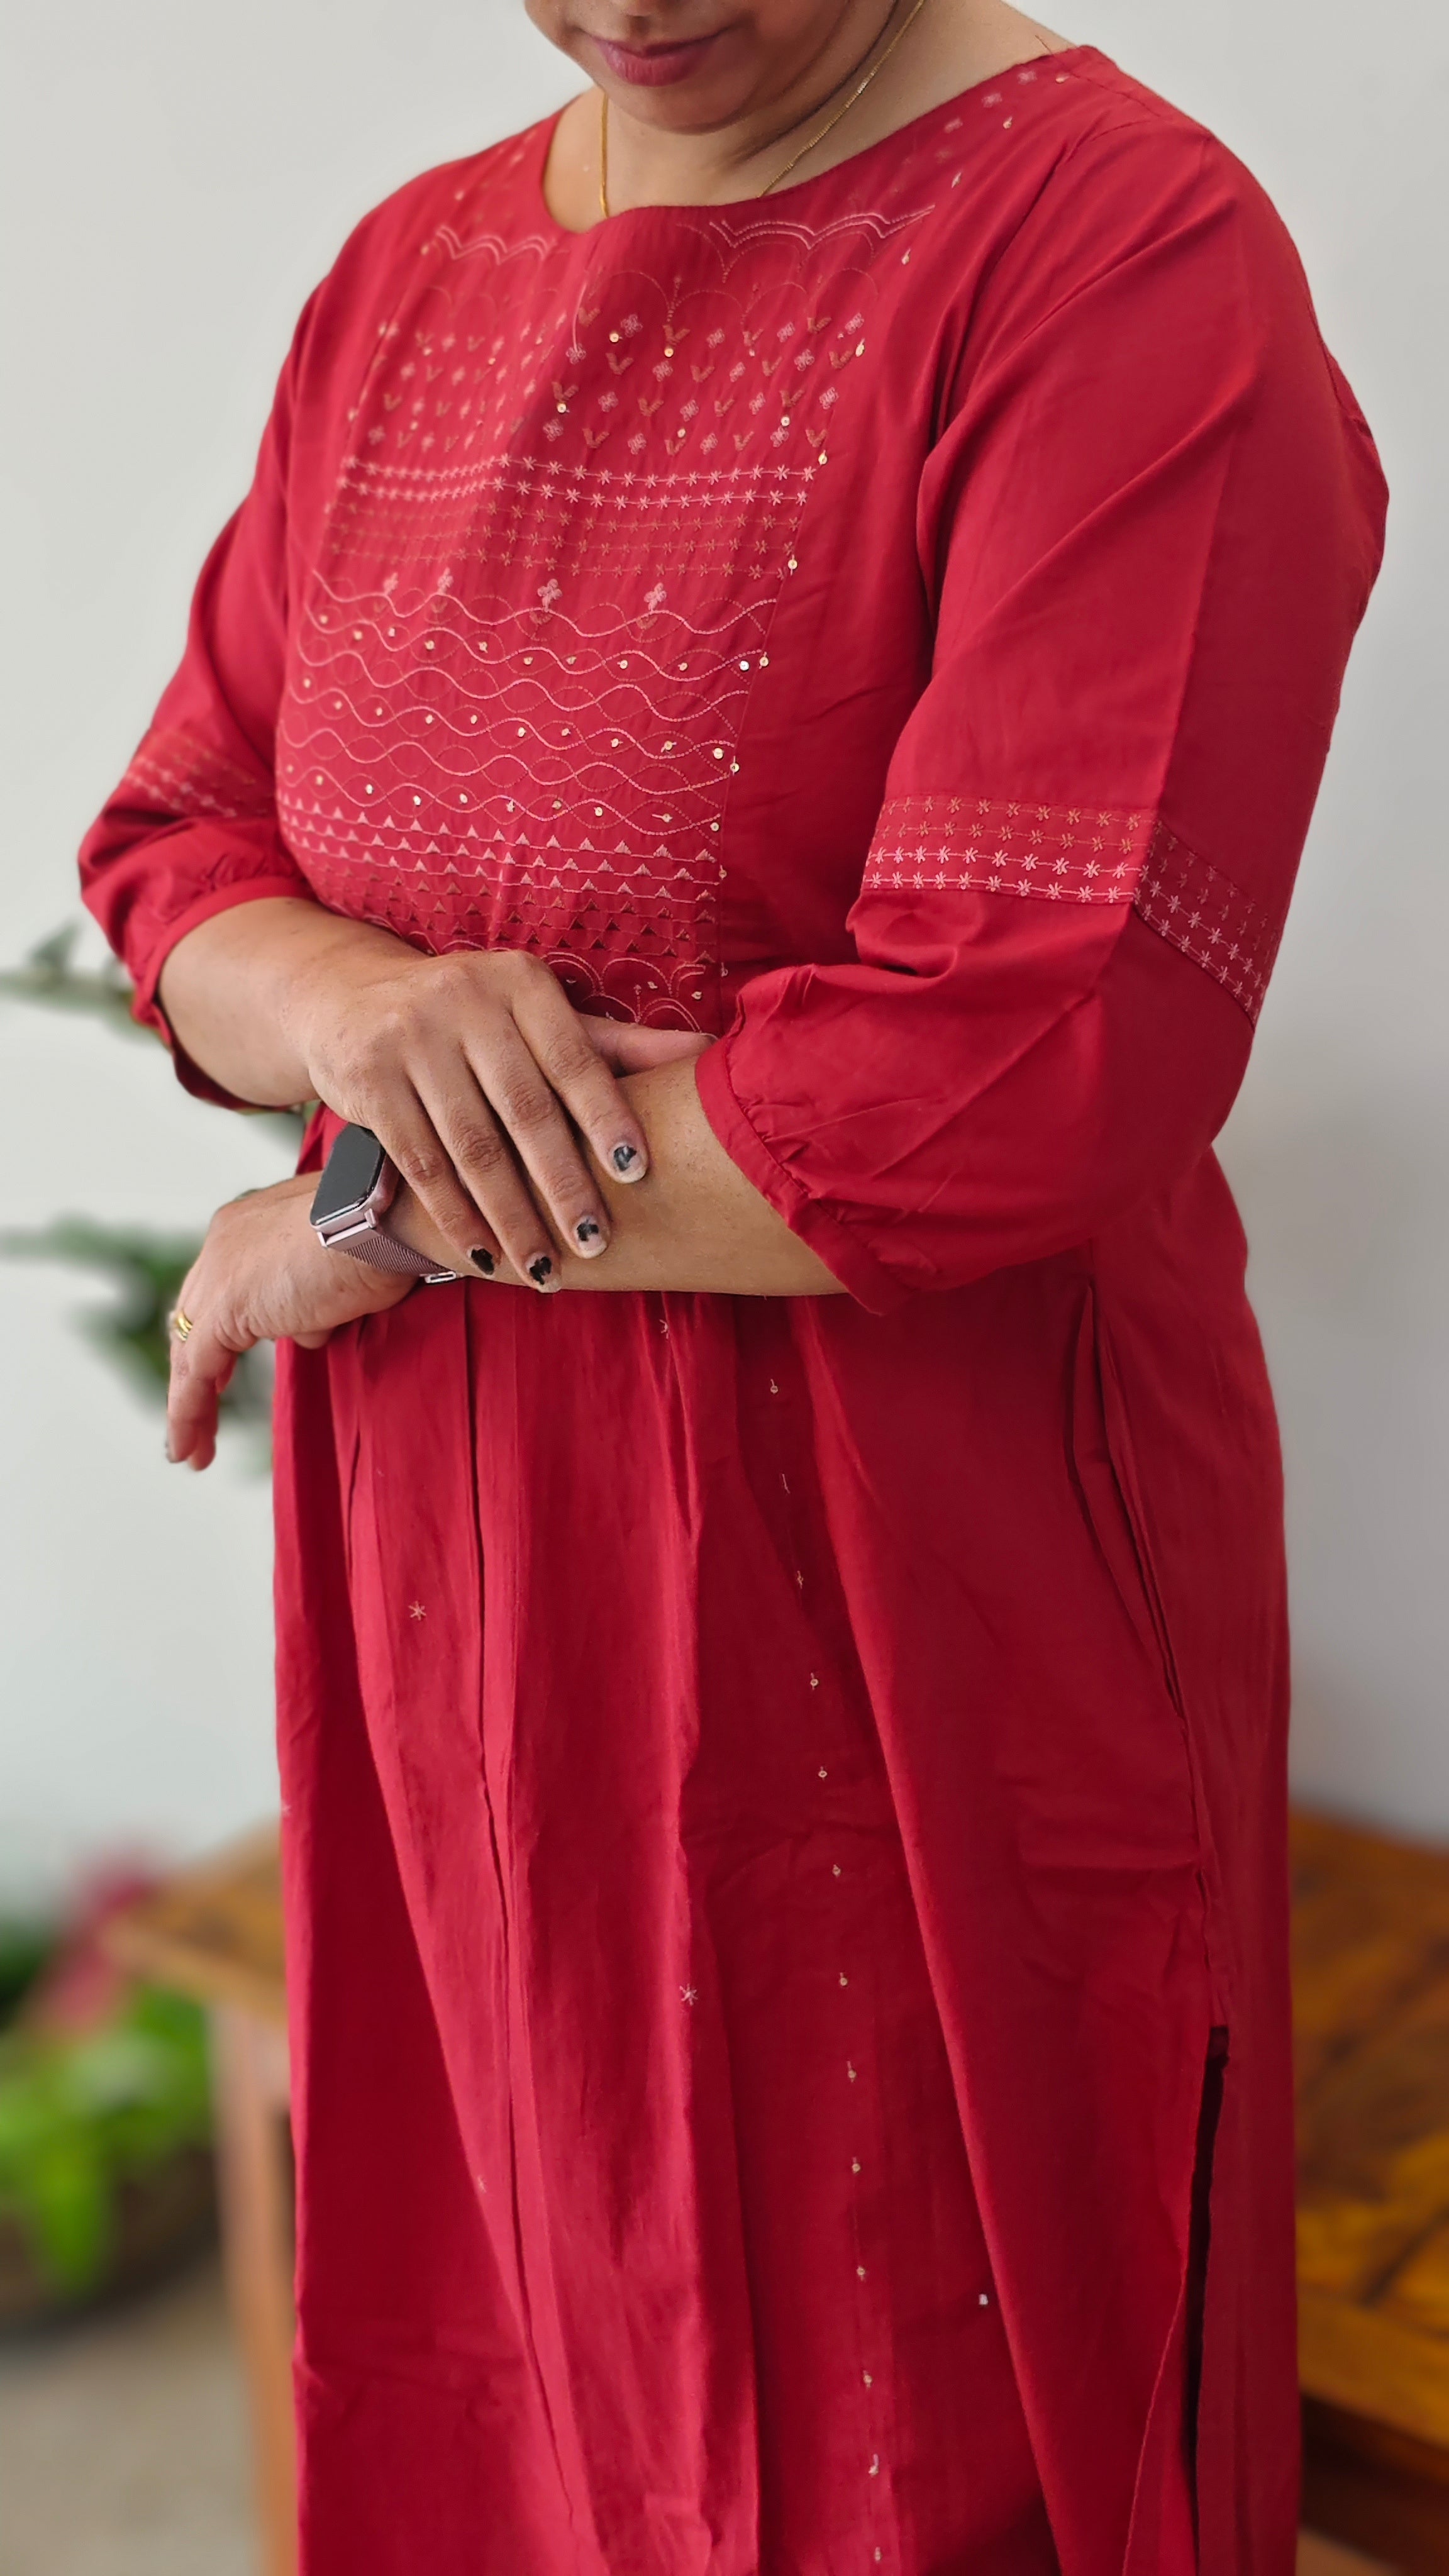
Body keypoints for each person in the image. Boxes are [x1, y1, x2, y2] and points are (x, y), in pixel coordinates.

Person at [80, 1, 1386, 2566]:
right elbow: (179, 848)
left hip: (907, 1602)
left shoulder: (1122, 261)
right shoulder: (408, 276)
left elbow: (1036, 1056)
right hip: (465, 1599)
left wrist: (359, 1216)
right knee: (519, 2342)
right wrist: (350, 1009)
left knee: (918, 2435)